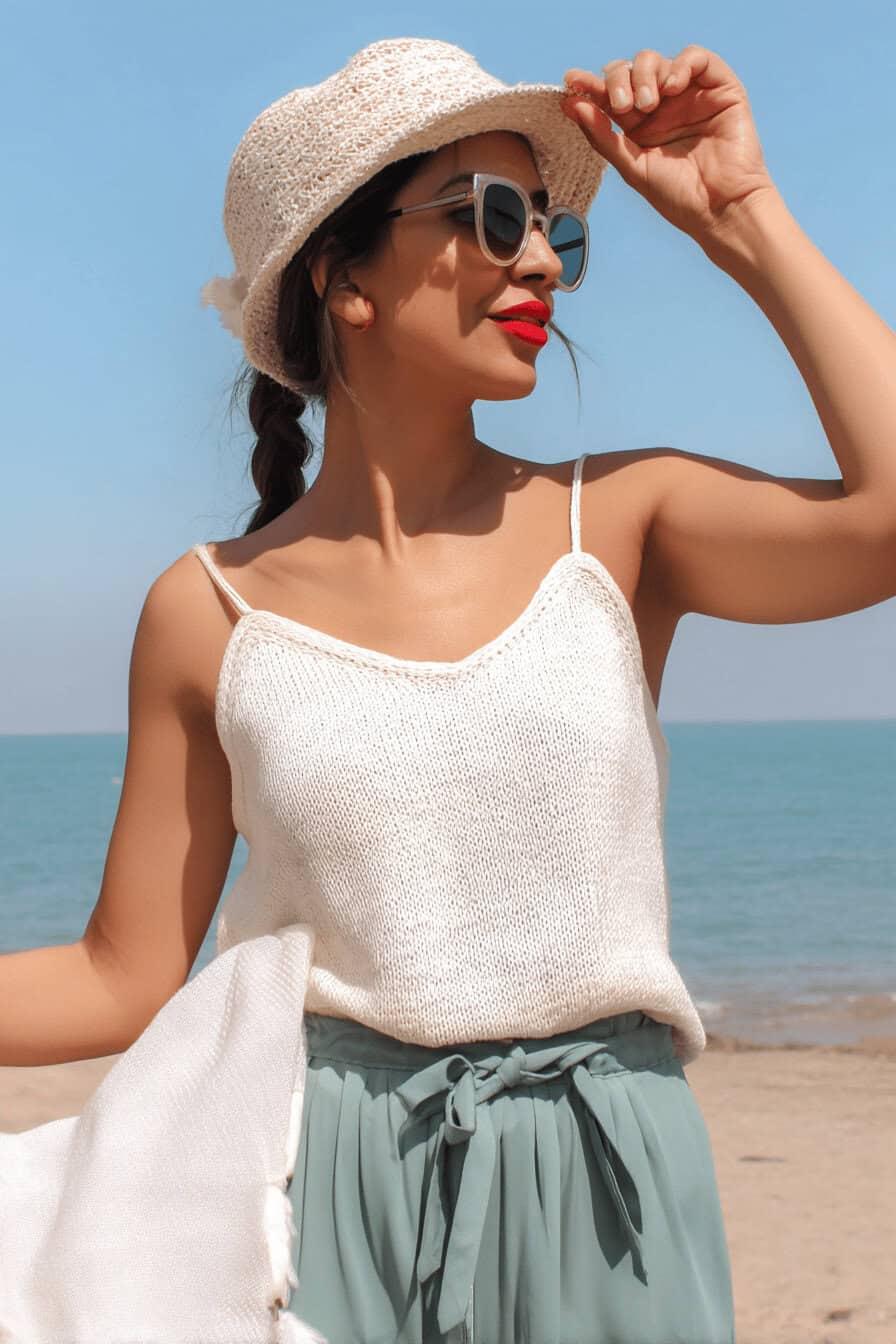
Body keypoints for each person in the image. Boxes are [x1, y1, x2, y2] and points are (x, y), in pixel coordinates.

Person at [3, 34, 895, 1344]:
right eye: (490, 217)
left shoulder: (625, 525)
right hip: (320, 1189)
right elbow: (123, 974)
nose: (540, 260)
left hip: (609, 1176)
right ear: (343, 277)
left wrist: (742, 217)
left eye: (553, 233)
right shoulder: (207, 612)